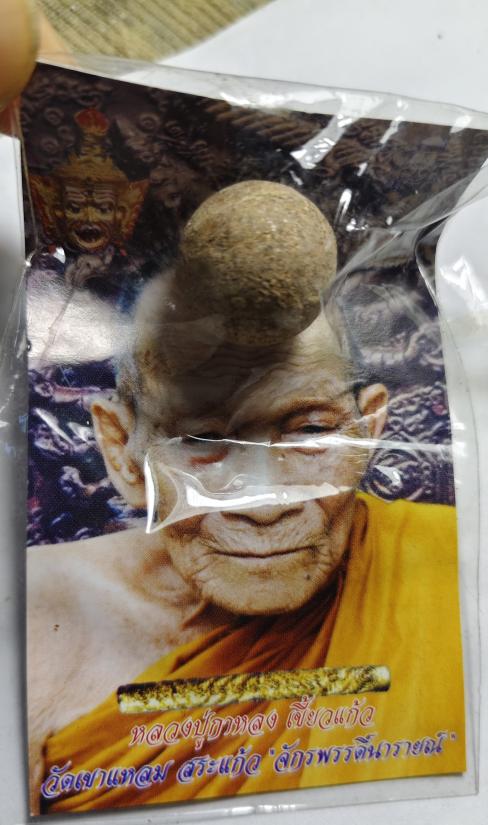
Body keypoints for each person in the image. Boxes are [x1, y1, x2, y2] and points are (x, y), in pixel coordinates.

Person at [27, 182, 465, 815]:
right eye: (202, 440)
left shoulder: (455, 568)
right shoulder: (37, 622)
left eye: (309, 432)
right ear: (121, 450)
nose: (264, 505)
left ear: (368, 431)